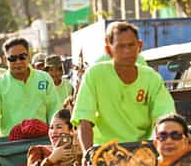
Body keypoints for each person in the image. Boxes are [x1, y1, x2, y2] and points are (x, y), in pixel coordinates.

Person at [72, 21, 176, 151]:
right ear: (109, 50)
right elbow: (84, 120)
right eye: (121, 46)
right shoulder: (94, 75)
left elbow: (165, 118)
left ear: (140, 46)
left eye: (131, 45)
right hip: (105, 153)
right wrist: (88, 156)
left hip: (144, 151)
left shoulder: (152, 78)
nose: (127, 51)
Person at [0, 37, 59, 138]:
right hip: (11, 144)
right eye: (12, 58)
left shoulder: (44, 78)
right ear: (6, 60)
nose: (18, 61)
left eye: (22, 57)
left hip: (42, 140)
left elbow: (54, 110)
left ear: (29, 56)